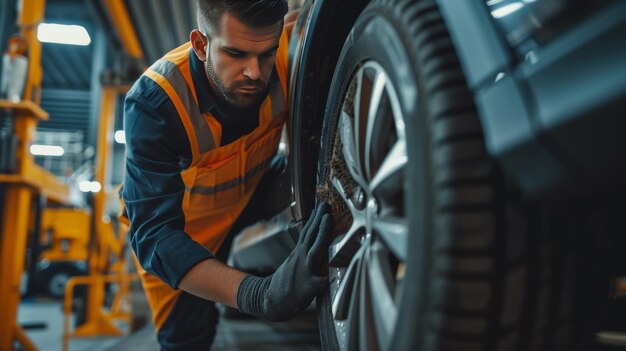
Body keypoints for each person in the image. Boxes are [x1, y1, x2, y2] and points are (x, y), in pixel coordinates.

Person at [121, 1, 333, 349]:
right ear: (201, 44)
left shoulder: (292, 46)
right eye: (236, 54)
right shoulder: (155, 103)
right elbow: (154, 235)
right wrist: (257, 294)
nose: (255, 72)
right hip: (185, 234)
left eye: (267, 53)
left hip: (250, 191)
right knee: (189, 339)